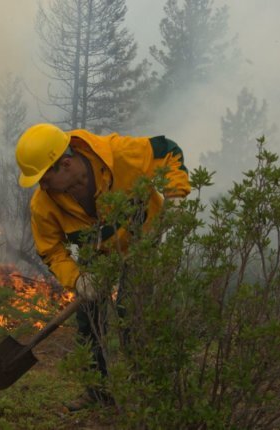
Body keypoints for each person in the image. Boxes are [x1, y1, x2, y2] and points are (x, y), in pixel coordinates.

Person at [15, 123, 191, 411]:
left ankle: (146, 388)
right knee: (88, 316)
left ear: (67, 164)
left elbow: (167, 150)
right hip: (97, 251)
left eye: (44, 178)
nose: (41, 186)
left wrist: (176, 194)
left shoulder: (119, 154)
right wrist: (78, 279)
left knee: (129, 309)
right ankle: (98, 393)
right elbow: (51, 250)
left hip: (141, 238)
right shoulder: (43, 205)